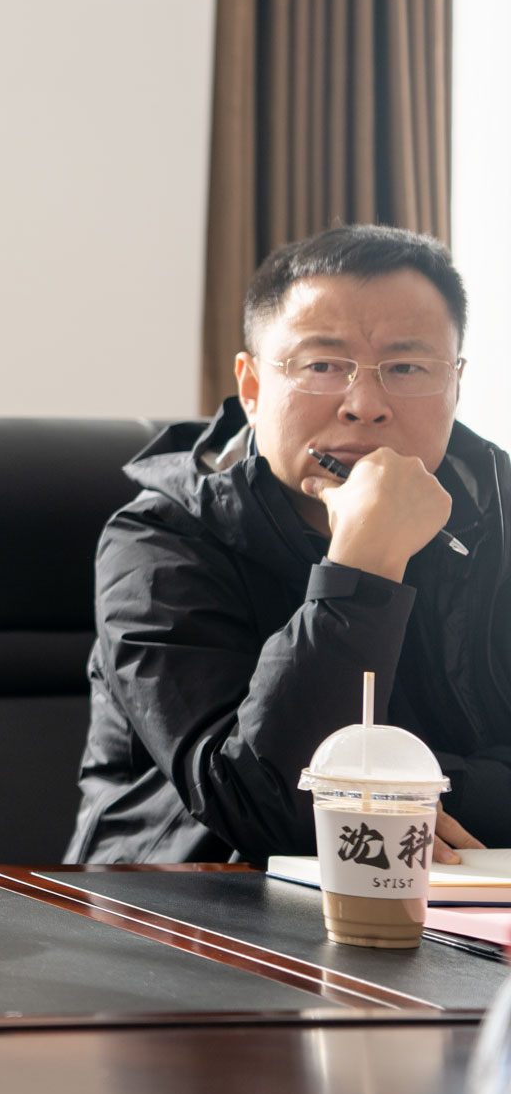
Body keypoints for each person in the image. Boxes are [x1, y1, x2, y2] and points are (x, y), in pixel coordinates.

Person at [69, 224, 510, 864]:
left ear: (456, 385)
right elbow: (270, 809)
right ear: (251, 389)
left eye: (406, 367)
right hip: (188, 906)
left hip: (464, 900)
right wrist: (363, 566)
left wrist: (396, 791)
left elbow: (339, 802)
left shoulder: (497, 519)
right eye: (322, 365)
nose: (365, 405)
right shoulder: (159, 543)